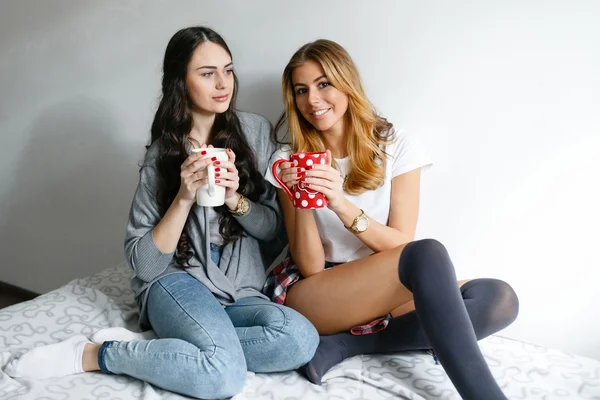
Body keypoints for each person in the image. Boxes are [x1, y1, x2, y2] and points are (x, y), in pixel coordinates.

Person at [5, 27, 318, 400]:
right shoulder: (163, 154)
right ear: (180, 83)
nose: (223, 83)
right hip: (177, 280)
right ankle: (98, 353)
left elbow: (275, 233)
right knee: (222, 375)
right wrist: (184, 197)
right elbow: (146, 266)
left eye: (228, 70)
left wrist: (235, 199)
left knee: (300, 339)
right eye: (207, 73)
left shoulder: (255, 132)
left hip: (241, 288)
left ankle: (188, 342)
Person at [264, 39, 519, 400]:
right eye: (301, 90)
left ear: (346, 83)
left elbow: (401, 243)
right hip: (319, 290)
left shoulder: (396, 144)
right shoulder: (288, 159)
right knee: (428, 253)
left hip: (382, 281)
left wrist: (341, 204)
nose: (313, 100)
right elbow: (311, 266)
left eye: (324, 84)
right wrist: (301, 197)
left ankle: (348, 345)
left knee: (498, 298)